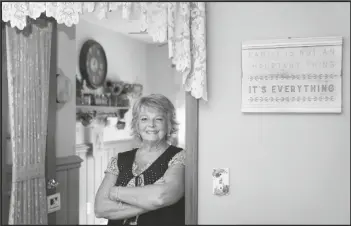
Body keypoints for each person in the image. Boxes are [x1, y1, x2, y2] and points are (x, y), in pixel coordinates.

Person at [95, 94, 186, 225]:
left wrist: (116, 192)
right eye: (144, 119)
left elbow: (161, 197)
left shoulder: (179, 156)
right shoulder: (120, 159)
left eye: (158, 119)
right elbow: (100, 208)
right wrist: (149, 200)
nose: (151, 125)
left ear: (169, 124)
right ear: (136, 125)